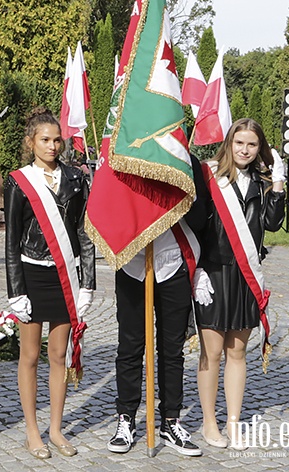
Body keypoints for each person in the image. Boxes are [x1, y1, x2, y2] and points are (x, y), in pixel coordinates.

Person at [4, 107, 95, 460]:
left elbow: (84, 234)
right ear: (31, 143)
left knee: (59, 356)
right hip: (31, 273)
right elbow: (12, 239)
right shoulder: (18, 181)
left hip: (65, 275)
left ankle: (56, 429)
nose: (52, 146)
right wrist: (16, 291)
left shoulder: (75, 178)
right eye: (45, 140)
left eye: (57, 140)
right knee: (29, 356)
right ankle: (32, 431)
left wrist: (87, 282)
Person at [193, 118, 285, 450]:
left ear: (260, 149)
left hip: (245, 275)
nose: (245, 150)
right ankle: (209, 423)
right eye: (239, 143)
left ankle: (233, 422)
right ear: (229, 144)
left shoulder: (262, 184)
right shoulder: (211, 179)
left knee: (238, 350)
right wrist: (197, 270)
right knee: (212, 352)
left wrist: (277, 185)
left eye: (252, 144)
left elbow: (273, 225)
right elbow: (194, 225)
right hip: (213, 273)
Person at [106, 154, 207, 457]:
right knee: (130, 346)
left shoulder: (186, 159)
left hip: (173, 260)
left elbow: (202, 217)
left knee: (171, 349)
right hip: (132, 262)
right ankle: (126, 418)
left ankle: (170, 420)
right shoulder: (123, 156)